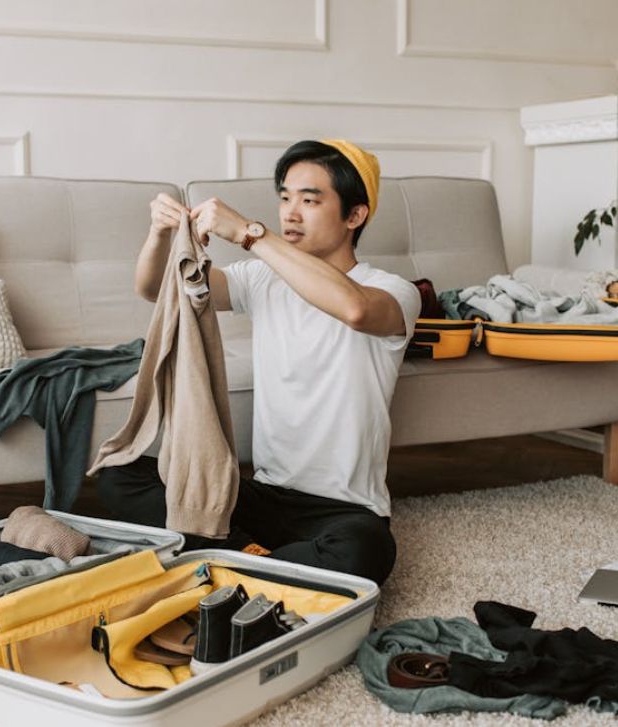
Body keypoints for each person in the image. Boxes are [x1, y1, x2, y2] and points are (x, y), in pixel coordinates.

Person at [97, 140, 421, 586]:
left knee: (365, 551)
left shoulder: (392, 290)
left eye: (309, 200)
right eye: (285, 197)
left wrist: (251, 234)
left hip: (344, 510)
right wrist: (158, 235)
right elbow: (156, 289)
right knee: (119, 471)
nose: (290, 213)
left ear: (355, 215)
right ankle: (258, 560)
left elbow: (356, 310)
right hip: (260, 495)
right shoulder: (262, 279)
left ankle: (227, 558)